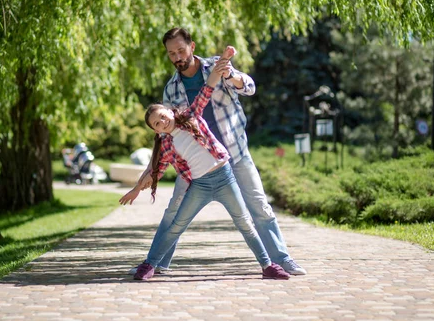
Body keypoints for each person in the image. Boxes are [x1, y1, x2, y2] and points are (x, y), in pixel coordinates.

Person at [130, 27, 306, 276]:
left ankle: (282, 260)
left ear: (192, 46)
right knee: (173, 211)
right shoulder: (171, 89)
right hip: (195, 163)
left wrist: (231, 76)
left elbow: (250, 87)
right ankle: (157, 263)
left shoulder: (217, 66)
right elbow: (164, 133)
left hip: (235, 152)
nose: (178, 56)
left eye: (181, 50)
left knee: (259, 207)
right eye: (172, 53)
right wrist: (147, 175)